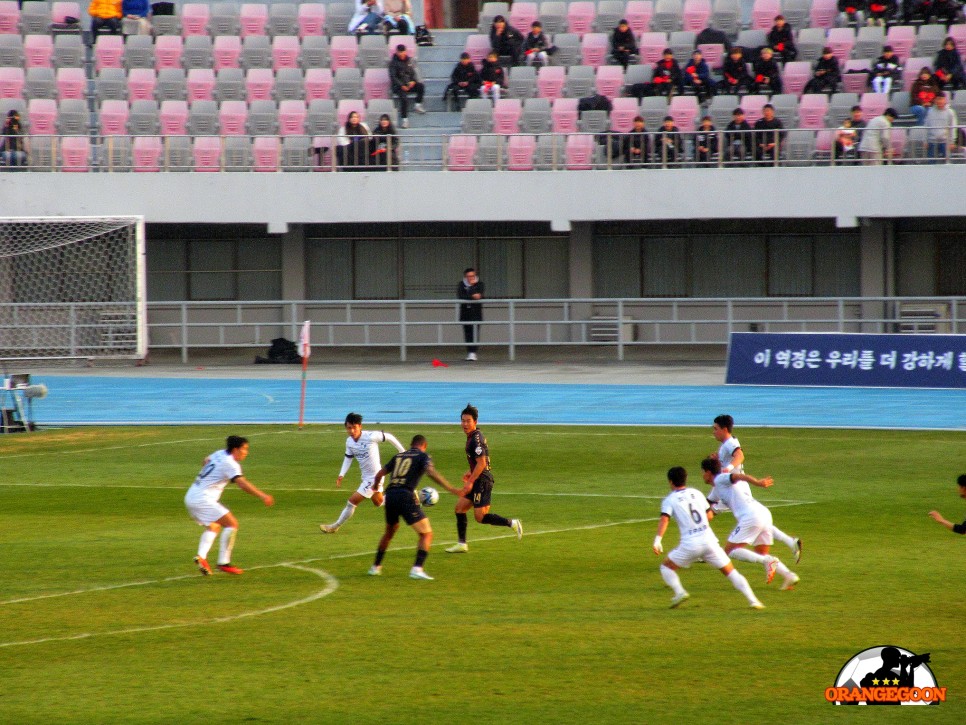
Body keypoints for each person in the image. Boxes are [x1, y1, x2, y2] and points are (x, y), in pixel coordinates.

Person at [653, 466, 765, 609]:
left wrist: (658, 540)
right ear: (685, 479)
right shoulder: (697, 493)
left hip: (690, 544)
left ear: (670, 482)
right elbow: (710, 514)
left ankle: (680, 592)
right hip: (709, 541)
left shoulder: (670, 500)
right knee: (731, 572)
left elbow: (664, 519)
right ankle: (753, 600)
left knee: (666, 567)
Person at [369, 435, 465, 580]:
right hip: (405, 496)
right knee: (427, 534)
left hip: (390, 496)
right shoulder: (423, 456)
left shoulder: (399, 456)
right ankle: (417, 569)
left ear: (411, 444)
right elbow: (431, 472)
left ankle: (375, 567)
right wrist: (451, 488)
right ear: (424, 445)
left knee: (389, 532)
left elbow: (380, 474)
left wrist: (376, 488)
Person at [700, 458, 801, 591]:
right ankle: (789, 576)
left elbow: (739, 476)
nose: (702, 475)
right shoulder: (717, 489)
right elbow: (707, 507)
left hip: (751, 517)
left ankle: (769, 561)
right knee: (761, 553)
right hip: (763, 513)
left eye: (702, 472)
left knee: (730, 551)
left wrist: (758, 483)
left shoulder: (720, 479)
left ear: (708, 472)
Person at [711, 414, 802, 561]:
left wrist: (727, 468)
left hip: (734, 487)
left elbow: (740, 456)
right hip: (734, 485)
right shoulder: (725, 445)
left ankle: (705, 547)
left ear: (724, 429)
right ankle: (790, 542)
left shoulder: (729, 443)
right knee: (759, 521)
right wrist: (717, 461)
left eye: (715, 428)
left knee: (709, 513)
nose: (713, 431)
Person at [183, 435, 274, 576]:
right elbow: (242, 484)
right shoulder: (230, 463)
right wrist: (263, 496)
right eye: (244, 449)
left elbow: (204, 461)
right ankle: (223, 563)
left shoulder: (219, 453)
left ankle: (201, 557)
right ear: (235, 449)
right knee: (232, 524)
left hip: (191, 496)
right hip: (203, 499)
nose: (246, 452)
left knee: (214, 526)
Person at [445, 403, 523, 552]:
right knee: (459, 508)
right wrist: (470, 471)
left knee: (480, 517)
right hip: (478, 478)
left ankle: (512, 523)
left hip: (482, 481)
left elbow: (482, 463)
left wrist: (470, 481)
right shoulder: (473, 437)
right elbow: (479, 462)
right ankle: (462, 544)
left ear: (475, 422)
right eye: (463, 420)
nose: (465, 424)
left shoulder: (476, 439)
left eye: (468, 421)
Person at [320, 412, 405, 533]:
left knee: (352, 502)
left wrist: (403, 452)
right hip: (366, 477)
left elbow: (390, 437)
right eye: (349, 428)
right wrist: (341, 474)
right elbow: (348, 458)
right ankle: (405, 497)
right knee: (378, 502)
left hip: (375, 477)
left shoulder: (370, 436)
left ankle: (335, 526)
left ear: (360, 426)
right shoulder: (349, 442)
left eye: (354, 427)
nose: (352, 431)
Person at [389, 44, 425, 129]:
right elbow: (393, 77)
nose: (401, 54)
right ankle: (404, 119)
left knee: (420, 86)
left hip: (408, 84)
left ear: (405, 51)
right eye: (399, 52)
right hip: (398, 87)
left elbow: (412, 73)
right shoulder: (393, 63)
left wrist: (413, 81)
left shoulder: (409, 60)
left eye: (403, 52)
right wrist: (401, 85)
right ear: (397, 52)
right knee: (404, 99)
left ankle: (417, 105)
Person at [458, 267, 483, 361]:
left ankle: (474, 352)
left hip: (476, 313)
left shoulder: (480, 284)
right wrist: (472, 295)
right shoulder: (461, 284)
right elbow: (461, 296)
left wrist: (472, 287)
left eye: (472, 276)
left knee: (475, 333)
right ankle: (469, 352)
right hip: (465, 313)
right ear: (465, 277)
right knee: (467, 333)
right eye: (468, 276)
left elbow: (480, 296)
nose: (470, 278)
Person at [924, 93, 958, 162]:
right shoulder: (930, 112)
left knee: (947, 164)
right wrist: (925, 140)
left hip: (945, 142)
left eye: (941, 99)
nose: (939, 101)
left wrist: (952, 142)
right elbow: (926, 126)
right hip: (932, 141)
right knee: (931, 164)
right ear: (935, 100)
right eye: (937, 99)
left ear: (945, 100)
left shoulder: (950, 112)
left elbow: (953, 128)